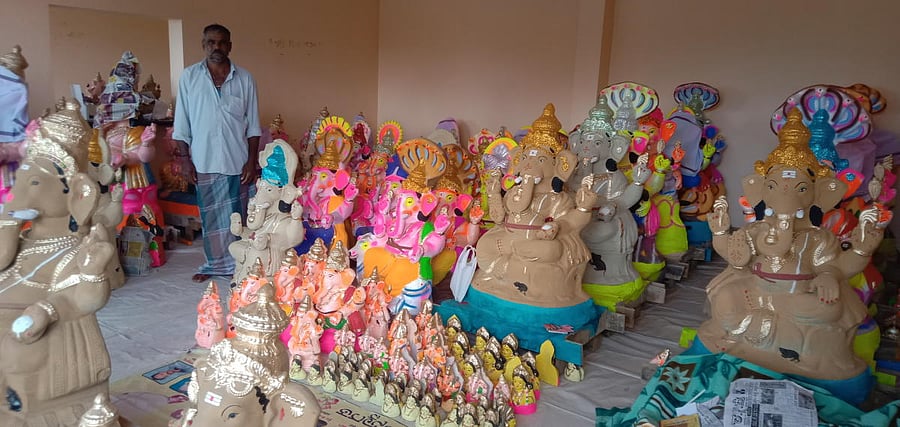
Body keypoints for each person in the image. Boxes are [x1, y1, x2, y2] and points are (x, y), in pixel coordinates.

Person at [173, 23, 261, 282]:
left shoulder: (245, 79)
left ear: (230, 46)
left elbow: (253, 125)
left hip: (237, 160)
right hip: (204, 160)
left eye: (222, 42)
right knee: (211, 218)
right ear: (204, 45)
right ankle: (214, 265)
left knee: (238, 216)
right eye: (211, 42)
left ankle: (241, 265)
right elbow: (181, 125)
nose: (216, 47)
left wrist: (251, 161)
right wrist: (185, 160)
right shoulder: (189, 77)